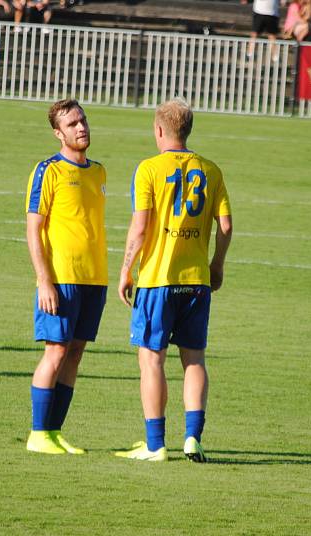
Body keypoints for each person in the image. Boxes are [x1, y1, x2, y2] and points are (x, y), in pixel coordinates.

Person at [115, 98, 233, 463]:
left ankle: (155, 445)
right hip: (196, 279)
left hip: (157, 280)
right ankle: (192, 439)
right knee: (194, 360)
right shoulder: (211, 170)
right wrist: (216, 265)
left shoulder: (149, 169)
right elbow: (225, 225)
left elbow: (140, 225)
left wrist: (125, 269)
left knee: (151, 360)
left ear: (159, 130)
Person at [24, 99, 108, 456]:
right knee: (55, 352)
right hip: (61, 279)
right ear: (58, 133)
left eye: (83, 120)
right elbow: (33, 229)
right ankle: (38, 433)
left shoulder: (99, 171)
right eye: (72, 124)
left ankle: (55, 433)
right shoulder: (48, 170)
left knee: (75, 353)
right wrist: (44, 280)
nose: (81, 127)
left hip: (94, 278)